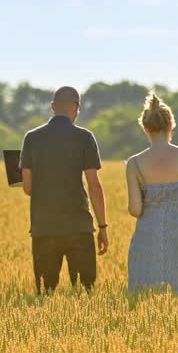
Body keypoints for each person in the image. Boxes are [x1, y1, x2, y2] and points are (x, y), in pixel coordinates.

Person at [19, 86, 109, 294]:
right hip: (79, 227)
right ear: (77, 108)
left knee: (45, 292)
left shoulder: (31, 138)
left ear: (52, 107)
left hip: (44, 228)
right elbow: (94, 185)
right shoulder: (85, 137)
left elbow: (28, 188)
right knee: (86, 293)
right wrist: (103, 226)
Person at [124, 91, 178, 294]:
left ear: (145, 128)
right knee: (177, 289)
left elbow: (135, 209)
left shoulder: (134, 163)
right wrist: (177, 200)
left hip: (147, 233)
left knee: (142, 292)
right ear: (170, 126)